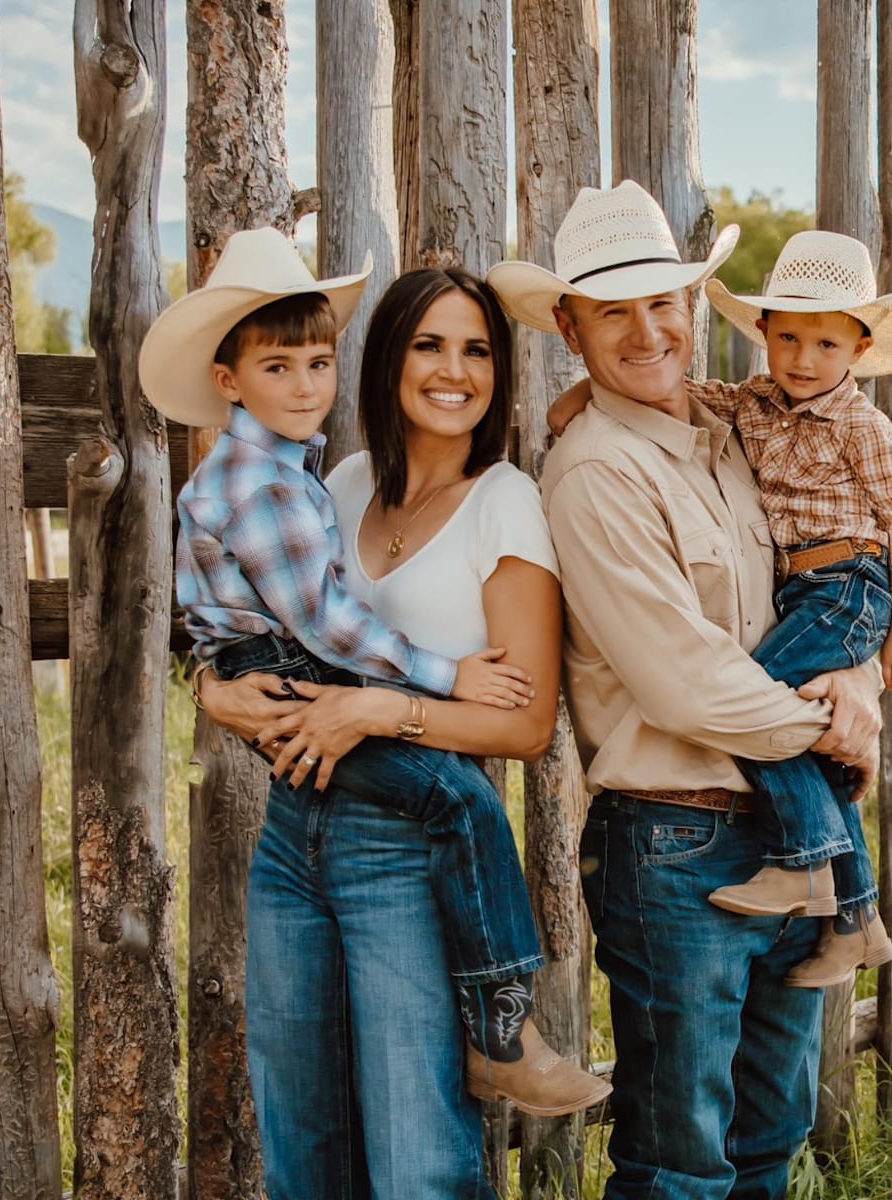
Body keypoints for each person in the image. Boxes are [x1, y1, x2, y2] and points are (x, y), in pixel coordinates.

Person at [149, 254, 609, 1198]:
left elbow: (522, 727)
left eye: (477, 350)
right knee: (303, 1138)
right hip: (292, 838)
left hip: (406, 847)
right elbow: (265, 628)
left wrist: (381, 708)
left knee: (414, 1160)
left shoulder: (505, 504)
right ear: (390, 360)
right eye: (430, 345)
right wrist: (211, 690)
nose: (455, 370)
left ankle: (507, 1030)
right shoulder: (343, 481)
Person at [487, 179, 883, 1199]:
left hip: (788, 833)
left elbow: (835, 573)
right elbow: (685, 684)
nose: (646, 328)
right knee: (681, 1160)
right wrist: (829, 730)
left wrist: (861, 680)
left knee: (769, 1135)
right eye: (613, 309)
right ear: (570, 328)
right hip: (678, 844)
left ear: (695, 307)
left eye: (663, 301)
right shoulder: (595, 470)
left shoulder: (743, 439)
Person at [548, 228, 892, 988]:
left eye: (826, 343)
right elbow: (690, 690)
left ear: (858, 349)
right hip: (680, 825)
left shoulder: (848, 428)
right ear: (761, 334)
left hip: (847, 590)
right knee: (687, 1106)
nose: (802, 358)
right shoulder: (728, 420)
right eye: (787, 337)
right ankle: (849, 907)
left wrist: (889, 644)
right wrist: (841, 730)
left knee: (778, 1107)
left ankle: (820, 881)